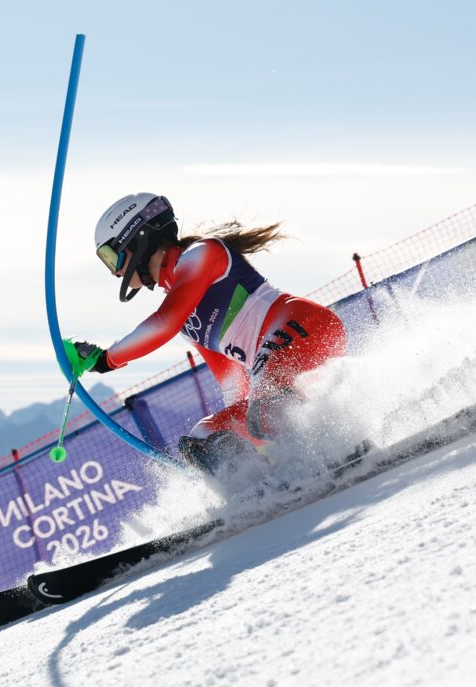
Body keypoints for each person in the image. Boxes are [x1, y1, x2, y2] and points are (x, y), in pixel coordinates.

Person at [68, 193, 346, 480]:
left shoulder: (201, 254)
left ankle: (341, 442)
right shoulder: (189, 322)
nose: (115, 272)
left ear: (136, 238)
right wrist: (242, 437)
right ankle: (259, 485)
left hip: (305, 325)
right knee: (203, 437)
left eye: (112, 258)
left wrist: (106, 359)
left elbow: (165, 322)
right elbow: (234, 385)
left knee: (264, 405)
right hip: (274, 363)